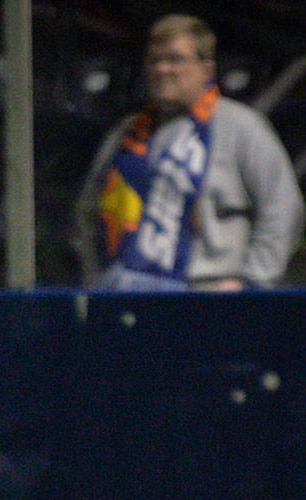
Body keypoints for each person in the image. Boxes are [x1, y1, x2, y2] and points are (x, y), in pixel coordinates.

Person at [74, 13, 304, 291]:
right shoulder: (127, 134)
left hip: (210, 295)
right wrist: (97, 279)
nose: (162, 69)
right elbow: (89, 211)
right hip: (128, 295)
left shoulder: (241, 127)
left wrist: (251, 281)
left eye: (175, 59)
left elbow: (282, 208)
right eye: (155, 60)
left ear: (206, 69)